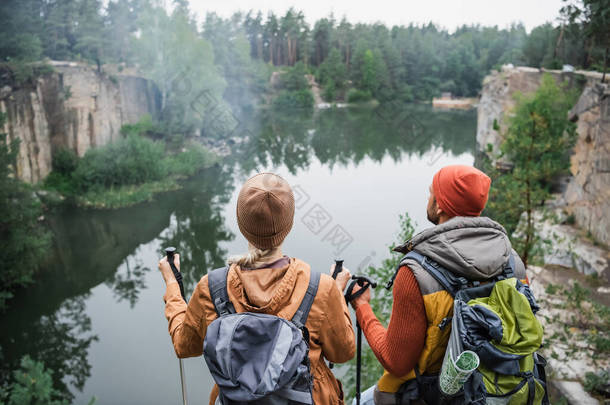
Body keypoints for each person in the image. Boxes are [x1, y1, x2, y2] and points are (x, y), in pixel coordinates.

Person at [158, 172, 356, 405]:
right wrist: (335, 293)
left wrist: (172, 285)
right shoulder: (321, 287)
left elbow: (184, 345)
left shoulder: (212, 287)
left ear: (242, 224)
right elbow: (342, 353)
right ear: (289, 223)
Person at [347, 165, 529, 405]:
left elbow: (396, 361)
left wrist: (362, 307)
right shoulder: (513, 263)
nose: (429, 198)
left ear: (441, 205)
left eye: (431, 192)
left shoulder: (417, 273)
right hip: (498, 390)